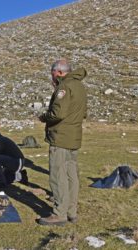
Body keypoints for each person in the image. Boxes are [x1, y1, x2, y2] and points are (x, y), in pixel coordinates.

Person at [38, 59, 87, 226]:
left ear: (58, 72)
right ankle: (71, 212)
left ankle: (59, 214)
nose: (51, 76)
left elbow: (58, 113)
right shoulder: (79, 86)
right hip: (74, 137)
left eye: (52, 72)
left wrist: (44, 117)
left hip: (61, 138)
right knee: (71, 175)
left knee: (58, 176)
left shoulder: (64, 87)